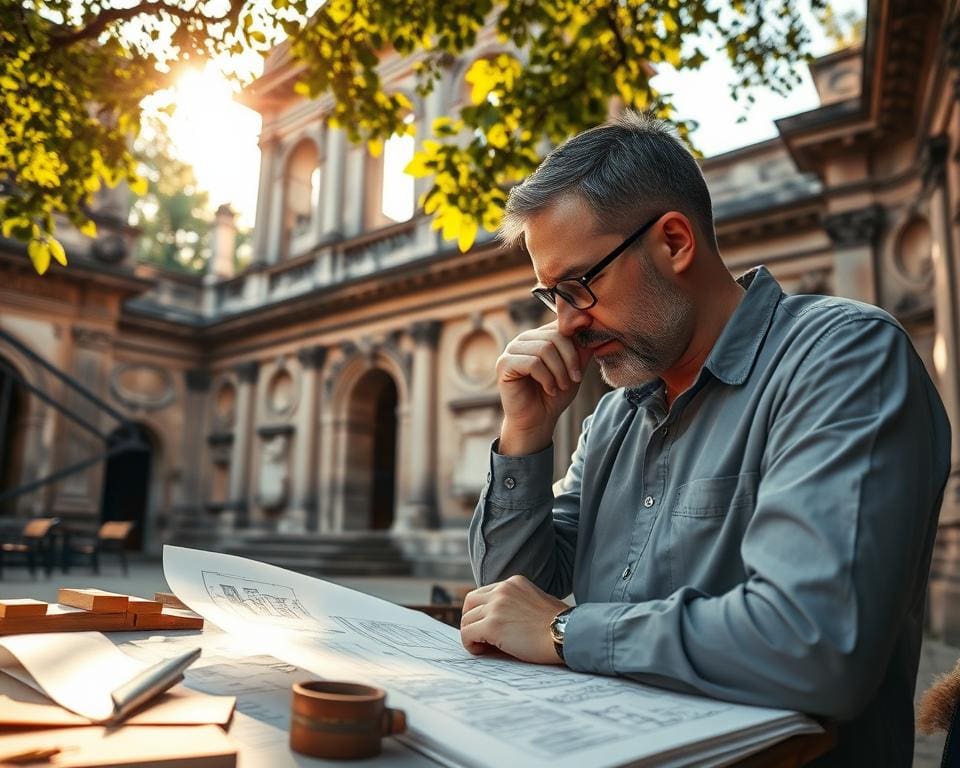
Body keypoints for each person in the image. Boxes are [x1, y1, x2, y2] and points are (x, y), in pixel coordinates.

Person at [462, 110, 951, 767]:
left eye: (579, 285)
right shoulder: (612, 419)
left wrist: (563, 629)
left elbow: (813, 644)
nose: (568, 324)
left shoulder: (842, 357)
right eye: (552, 296)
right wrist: (524, 432)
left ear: (673, 242)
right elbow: (505, 603)